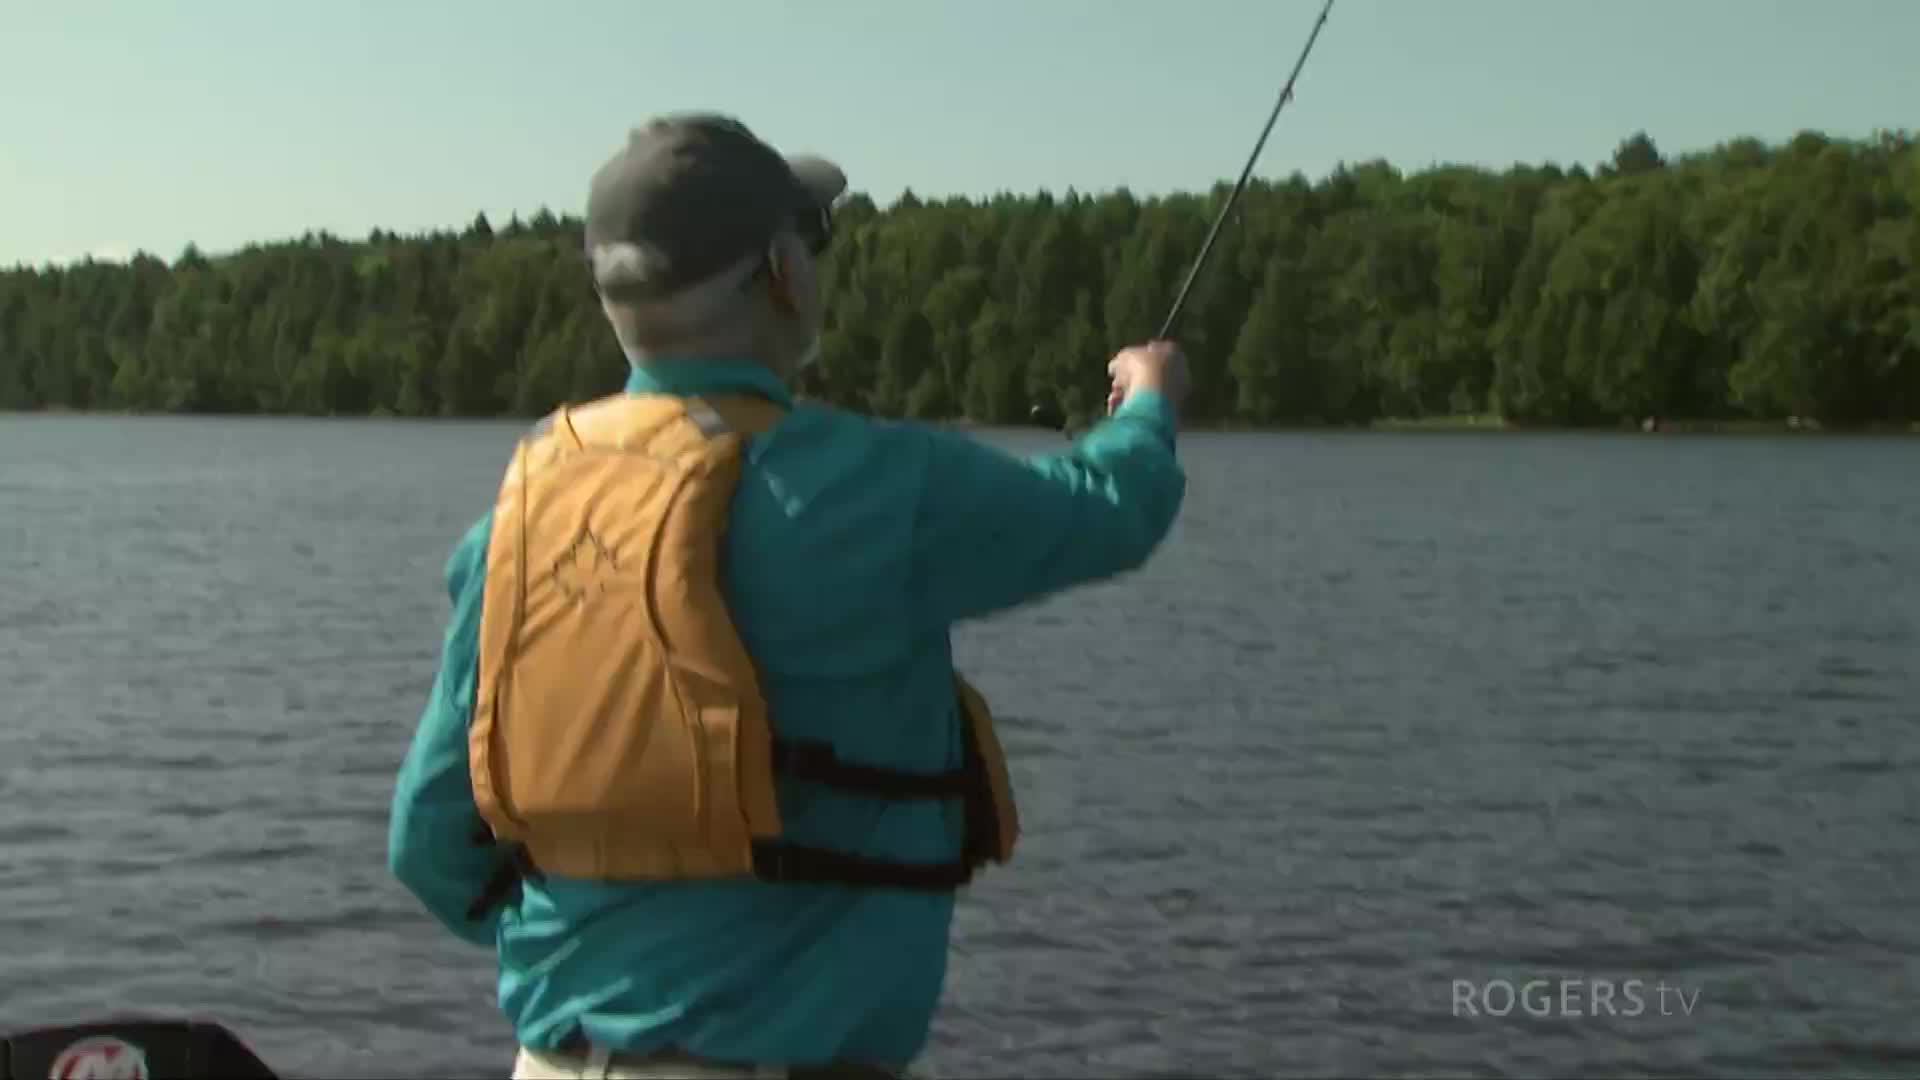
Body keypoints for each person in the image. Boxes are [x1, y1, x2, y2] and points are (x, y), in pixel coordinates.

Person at [386, 112, 1190, 1080]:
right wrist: (1149, 400)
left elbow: (430, 843)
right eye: (813, 239)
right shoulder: (879, 488)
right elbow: (1109, 508)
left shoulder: (515, 523)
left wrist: (603, 953)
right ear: (781, 272)